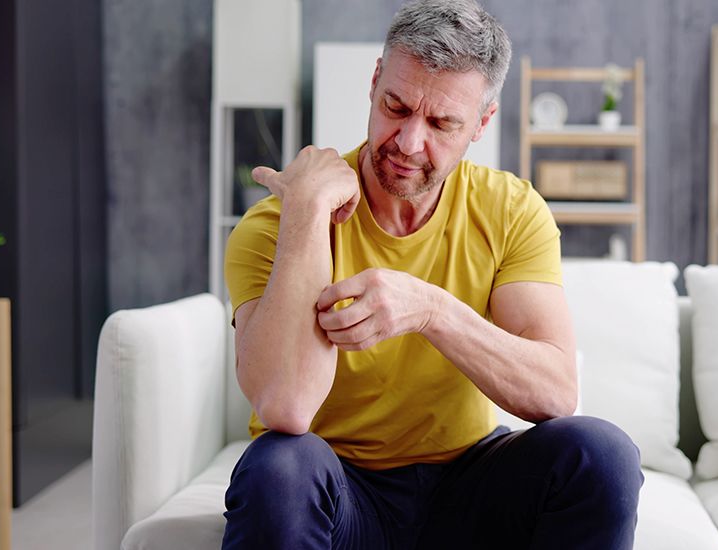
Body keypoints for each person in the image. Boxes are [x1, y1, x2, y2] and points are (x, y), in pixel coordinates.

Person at [222, 1, 642, 548]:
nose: (408, 142)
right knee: (276, 467)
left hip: (469, 488)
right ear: (375, 83)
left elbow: (555, 392)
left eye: (443, 123)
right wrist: (307, 211)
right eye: (395, 106)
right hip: (335, 492)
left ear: (482, 123)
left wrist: (431, 310)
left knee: (601, 454)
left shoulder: (510, 210)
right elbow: (285, 405)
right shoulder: (279, 222)